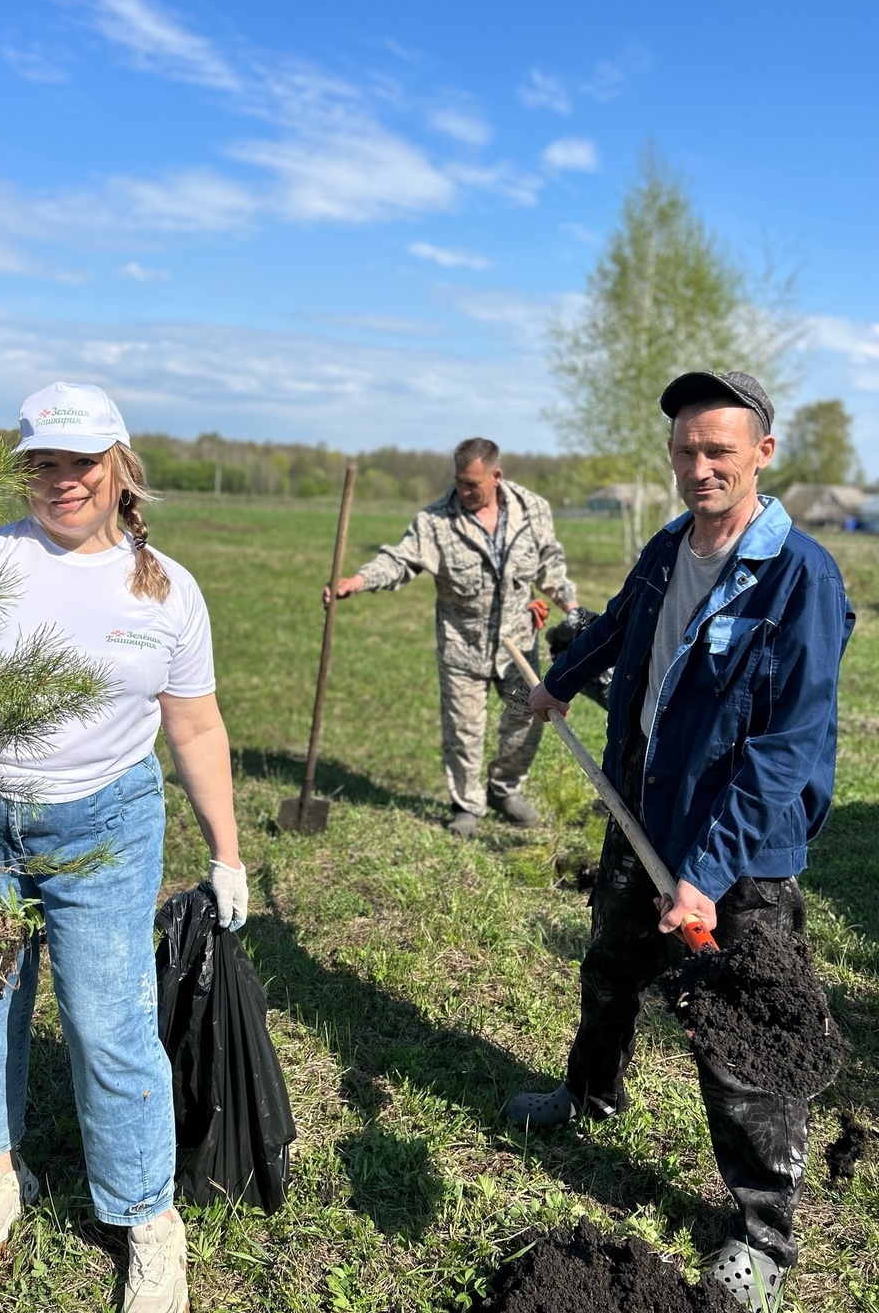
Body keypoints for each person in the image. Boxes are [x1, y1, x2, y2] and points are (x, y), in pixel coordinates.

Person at [0, 382, 247, 1313]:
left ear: (121, 467)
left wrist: (227, 851)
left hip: (107, 824)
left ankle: (147, 1218)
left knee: (109, 1023)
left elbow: (195, 729)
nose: (62, 479)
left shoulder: (166, 591)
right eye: (43, 460)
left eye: (82, 460)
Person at [505, 371, 854, 1311]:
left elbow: (787, 750)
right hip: (643, 813)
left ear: (762, 456)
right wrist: (562, 680)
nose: (698, 469)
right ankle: (589, 1096)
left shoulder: (800, 577)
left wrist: (703, 873)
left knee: (741, 1042)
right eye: (685, 452)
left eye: (719, 453)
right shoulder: (669, 549)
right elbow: (622, 626)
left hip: (737, 853)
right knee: (610, 968)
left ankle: (763, 1233)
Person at [327, 438, 579, 836]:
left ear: (496, 476)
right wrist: (358, 581)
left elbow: (549, 562)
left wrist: (570, 605)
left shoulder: (532, 510)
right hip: (463, 648)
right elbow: (401, 559)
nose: (463, 492)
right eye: (459, 482)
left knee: (525, 722)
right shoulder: (436, 522)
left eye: (472, 484)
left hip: (517, 645)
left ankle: (503, 790)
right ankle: (467, 807)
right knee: (463, 732)